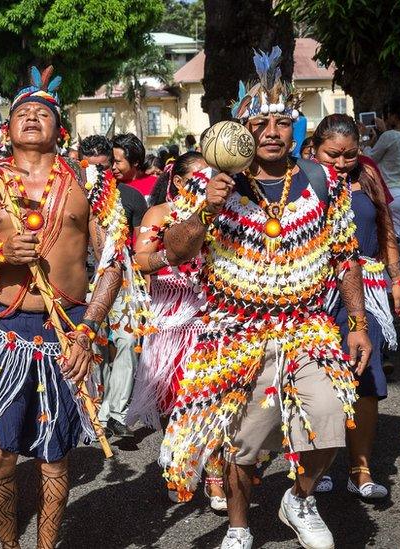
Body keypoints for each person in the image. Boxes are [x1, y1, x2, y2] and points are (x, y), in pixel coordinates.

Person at [159, 47, 370, 549]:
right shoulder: (210, 186)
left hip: (308, 328)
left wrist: (358, 322)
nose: (272, 132)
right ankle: (238, 526)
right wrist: (205, 212)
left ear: (296, 129)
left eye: (282, 122)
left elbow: (346, 256)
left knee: (329, 419)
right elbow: (172, 251)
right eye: (261, 123)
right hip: (234, 332)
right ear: (241, 131)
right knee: (243, 441)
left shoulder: (323, 183)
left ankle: (299, 499)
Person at [0, 66, 146, 549]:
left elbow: (114, 259)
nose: (32, 117)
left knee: (54, 457)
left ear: (61, 127)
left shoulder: (90, 180)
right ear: (7, 128)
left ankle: (46, 545)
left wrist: (89, 329)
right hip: (3, 330)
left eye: (43, 112)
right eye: (22, 112)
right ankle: (10, 545)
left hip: (67, 328)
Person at [310, 114, 400, 500]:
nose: (341, 163)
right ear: (313, 149)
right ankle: (316, 463)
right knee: (315, 379)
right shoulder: (299, 183)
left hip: (366, 290)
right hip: (313, 293)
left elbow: (386, 228)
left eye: (350, 155)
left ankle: (360, 466)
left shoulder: (366, 175)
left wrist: (397, 280)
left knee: (365, 379)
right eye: (332, 154)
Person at [129, 151, 228, 511]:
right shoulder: (160, 214)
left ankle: (216, 478)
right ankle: (180, 466)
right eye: (200, 176)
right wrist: (170, 258)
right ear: (182, 181)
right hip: (173, 318)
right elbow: (139, 261)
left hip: (214, 315)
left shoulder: (227, 212)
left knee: (215, 397)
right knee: (177, 399)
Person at [78, 134, 146, 437]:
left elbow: (142, 246)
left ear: (111, 167)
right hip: (83, 284)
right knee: (93, 350)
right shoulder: (72, 196)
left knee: (128, 343)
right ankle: (98, 412)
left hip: (123, 280)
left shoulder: (130, 197)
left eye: (102, 168)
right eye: (89, 167)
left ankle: (116, 412)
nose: (95, 174)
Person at [366, 95, 400, 282]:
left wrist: (370, 140)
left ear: (393, 115)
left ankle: (392, 284)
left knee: (390, 239)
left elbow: (370, 158)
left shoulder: (389, 136)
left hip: (390, 194)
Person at [113, 133, 157, 202]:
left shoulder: (155, 184)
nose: (113, 167)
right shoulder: (108, 185)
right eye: (111, 161)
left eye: (117, 162)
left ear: (135, 162)